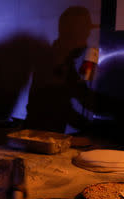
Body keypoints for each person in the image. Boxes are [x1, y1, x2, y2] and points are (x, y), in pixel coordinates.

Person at [24, 6, 99, 134]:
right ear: (70, 34)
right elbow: (62, 108)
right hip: (39, 139)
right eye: (83, 34)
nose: (86, 41)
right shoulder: (55, 61)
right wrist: (94, 128)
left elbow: (82, 94)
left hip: (46, 137)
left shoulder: (64, 60)